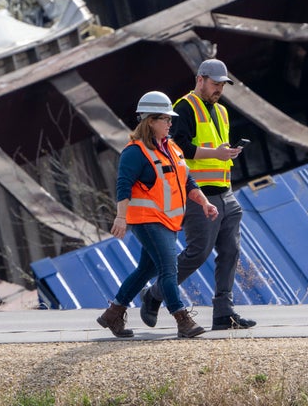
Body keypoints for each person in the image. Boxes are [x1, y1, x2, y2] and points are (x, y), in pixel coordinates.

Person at [139, 58, 257, 331]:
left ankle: (223, 313)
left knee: (230, 251)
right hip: (199, 194)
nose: (219, 89)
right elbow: (178, 147)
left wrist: (226, 153)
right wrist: (216, 153)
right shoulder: (183, 107)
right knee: (197, 253)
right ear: (200, 79)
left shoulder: (222, 112)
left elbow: (213, 148)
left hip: (226, 192)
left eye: (222, 85)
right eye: (215, 84)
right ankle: (154, 294)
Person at [96, 90, 219, 339]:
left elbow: (187, 181)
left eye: (170, 119)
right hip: (147, 221)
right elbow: (123, 186)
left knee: (145, 271)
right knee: (169, 267)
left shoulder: (172, 148)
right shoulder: (135, 152)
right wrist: (121, 217)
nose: (170, 123)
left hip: (168, 221)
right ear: (150, 120)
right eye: (165, 119)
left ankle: (113, 314)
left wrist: (204, 202)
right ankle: (182, 319)